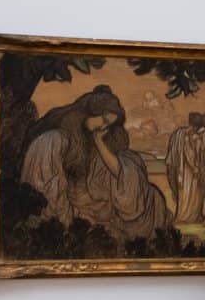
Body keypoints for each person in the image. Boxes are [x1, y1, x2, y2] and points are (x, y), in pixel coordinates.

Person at [20, 85, 173, 245]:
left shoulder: (95, 139)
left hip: (94, 202)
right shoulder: (54, 139)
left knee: (147, 190)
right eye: (104, 120)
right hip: (72, 204)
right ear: (89, 112)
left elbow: (115, 173)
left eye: (109, 125)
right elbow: (47, 186)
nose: (104, 127)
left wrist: (99, 142)